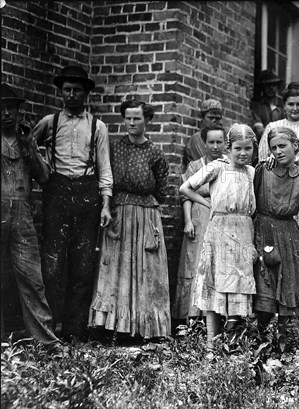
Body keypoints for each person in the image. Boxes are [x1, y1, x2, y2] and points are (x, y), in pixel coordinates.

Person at [33, 65, 112, 342]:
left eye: (77, 90)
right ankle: (49, 328)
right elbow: (29, 148)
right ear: (61, 92)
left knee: (82, 264)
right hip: (57, 193)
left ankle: (74, 331)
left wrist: (105, 204)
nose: (72, 95)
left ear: (86, 93)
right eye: (67, 90)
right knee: (52, 264)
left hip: (87, 193)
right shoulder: (49, 122)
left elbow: (105, 169)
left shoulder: (97, 127)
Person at [89, 100, 171, 340]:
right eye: (128, 118)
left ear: (147, 120)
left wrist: (145, 207)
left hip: (145, 214)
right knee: (116, 266)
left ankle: (144, 328)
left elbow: (162, 188)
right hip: (119, 213)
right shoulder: (115, 147)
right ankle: (112, 327)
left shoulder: (155, 152)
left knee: (146, 269)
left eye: (137, 118)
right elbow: (105, 176)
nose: (132, 123)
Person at [1, 83, 65, 355]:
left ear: (18, 111)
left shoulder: (26, 140)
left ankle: (47, 342)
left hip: (22, 214)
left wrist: (30, 146)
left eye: (11, 108)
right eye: (1, 109)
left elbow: (45, 177)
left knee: (32, 278)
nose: (6, 114)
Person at [180, 124, 257, 349]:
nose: (243, 153)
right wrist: (207, 203)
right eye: (238, 149)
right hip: (219, 232)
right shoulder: (218, 168)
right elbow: (186, 188)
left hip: (243, 232)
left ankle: (233, 345)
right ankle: (211, 347)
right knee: (215, 288)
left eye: (248, 149)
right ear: (228, 148)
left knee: (237, 288)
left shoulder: (252, 172)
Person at [253, 127, 299, 348]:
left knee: (288, 286)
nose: (278, 152)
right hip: (264, 231)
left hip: (289, 235)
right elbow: (249, 196)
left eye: (283, 146)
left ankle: (284, 340)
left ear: (296, 146)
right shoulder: (263, 170)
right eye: (273, 148)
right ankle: (260, 338)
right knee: (265, 286)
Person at [259, 83, 299, 272]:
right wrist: (271, 160)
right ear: (284, 105)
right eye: (290, 104)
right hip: (278, 187)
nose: (295, 108)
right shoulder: (273, 126)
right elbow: (263, 160)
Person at [172, 127, 228, 323]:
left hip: (221, 217)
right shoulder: (196, 166)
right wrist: (188, 221)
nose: (215, 146)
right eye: (211, 142)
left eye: (219, 142)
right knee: (195, 263)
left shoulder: (229, 164)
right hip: (199, 216)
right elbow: (184, 195)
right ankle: (193, 316)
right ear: (204, 143)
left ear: (225, 143)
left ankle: (216, 316)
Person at [183, 99, 223, 171]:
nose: (214, 121)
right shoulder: (197, 138)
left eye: (217, 118)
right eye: (211, 118)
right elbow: (208, 166)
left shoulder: (222, 138)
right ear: (202, 118)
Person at [250, 70, 284, 140]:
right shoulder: (258, 106)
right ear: (262, 88)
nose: (271, 88)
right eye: (268, 85)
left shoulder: (281, 108)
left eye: (273, 85)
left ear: (277, 87)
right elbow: (259, 130)